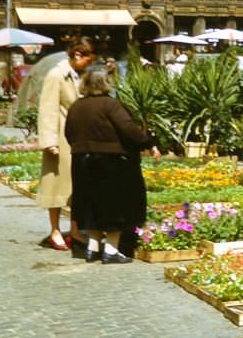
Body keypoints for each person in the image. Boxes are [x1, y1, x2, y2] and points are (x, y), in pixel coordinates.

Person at [64, 66, 160, 264]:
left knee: (90, 204)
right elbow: (129, 130)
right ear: (106, 83)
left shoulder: (76, 106)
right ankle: (111, 249)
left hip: (82, 160)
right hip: (112, 162)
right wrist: (149, 143)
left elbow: (69, 133)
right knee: (115, 205)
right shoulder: (111, 105)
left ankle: (92, 247)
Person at [37, 36, 95, 251]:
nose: (90, 63)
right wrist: (50, 141)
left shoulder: (79, 75)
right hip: (60, 139)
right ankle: (54, 231)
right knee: (56, 185)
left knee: (76, 187)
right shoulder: (56, 75)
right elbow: (47, 109)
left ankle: (75, 230)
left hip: (78, 139)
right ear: (78, 54)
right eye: (87, 58)